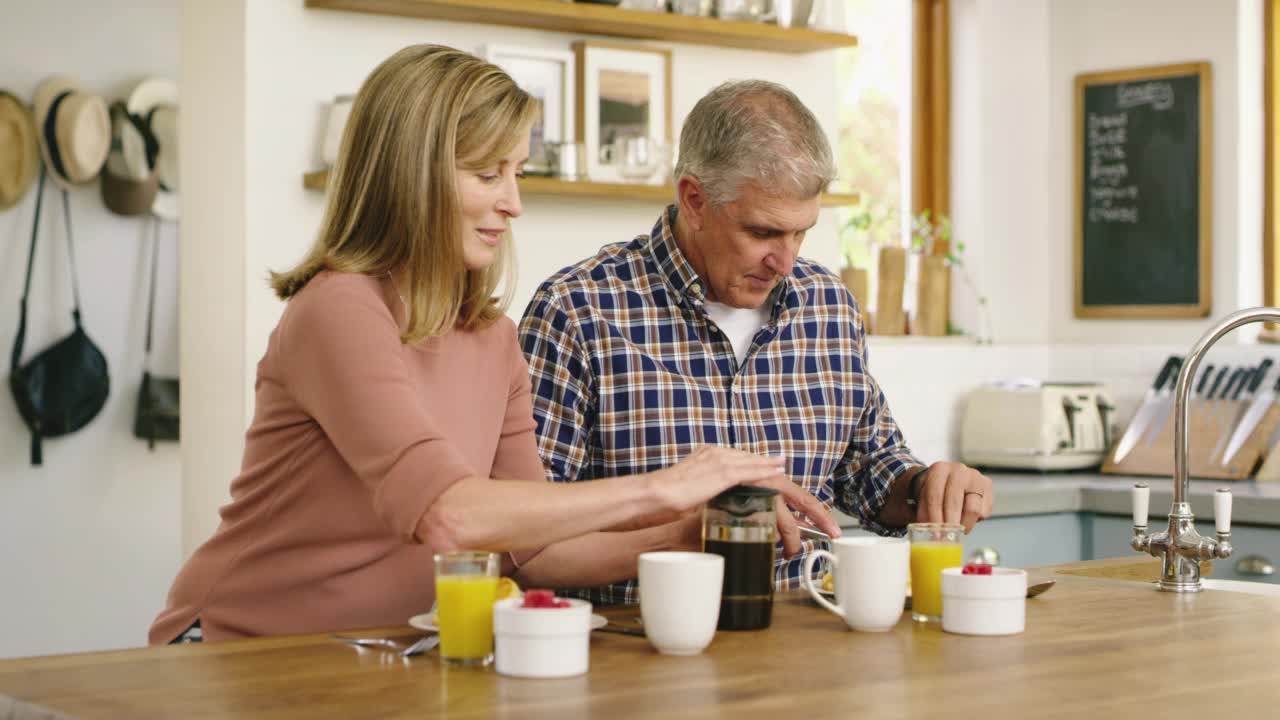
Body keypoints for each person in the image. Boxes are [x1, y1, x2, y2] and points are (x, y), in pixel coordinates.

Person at [149, 47, 838, 644]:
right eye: (488, 175)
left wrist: (683, 532)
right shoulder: (338, 311)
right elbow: (449, 513)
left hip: (383, 655)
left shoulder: (491, 337)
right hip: (246, 651)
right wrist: (666, 488)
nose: (513, 202)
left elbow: (532, 551)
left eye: (516, 172)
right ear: (410, 177)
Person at [517, 79, 996, 606]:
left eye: (801, 233)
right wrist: (683, 527)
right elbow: (527, 538)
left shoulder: (827, 306)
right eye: (764, 233)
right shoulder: (578, 311)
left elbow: (868, 467)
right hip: (636, 654)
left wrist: (925, 486)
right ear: (694, 200)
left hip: (800, 656)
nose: (785, 262)